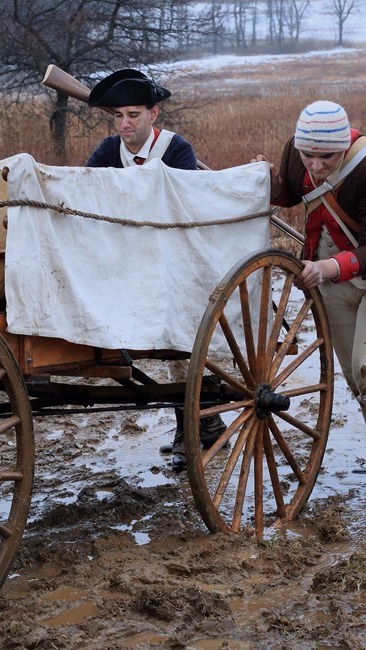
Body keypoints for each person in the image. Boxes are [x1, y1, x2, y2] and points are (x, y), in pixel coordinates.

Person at [254, 100, 366, 502]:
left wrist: (328, 268)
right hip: (330, 275)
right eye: (307, 155)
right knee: (355, 374)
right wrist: (265, 178)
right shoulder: (296, 155)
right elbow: (291, 192)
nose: (314, 166)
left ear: (342, 147)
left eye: (326, 156)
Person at [86, 68, 226, 471]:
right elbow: (86, 189)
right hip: (125, 261)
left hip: (175, 262)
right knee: (168, 351)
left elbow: (178, 211)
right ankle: (207, 423)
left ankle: (194, 429)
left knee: (180, 345)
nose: (125, 124)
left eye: (133, 115)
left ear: (153, 114)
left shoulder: (176, 151)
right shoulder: (107, 152)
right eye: (118, 117)